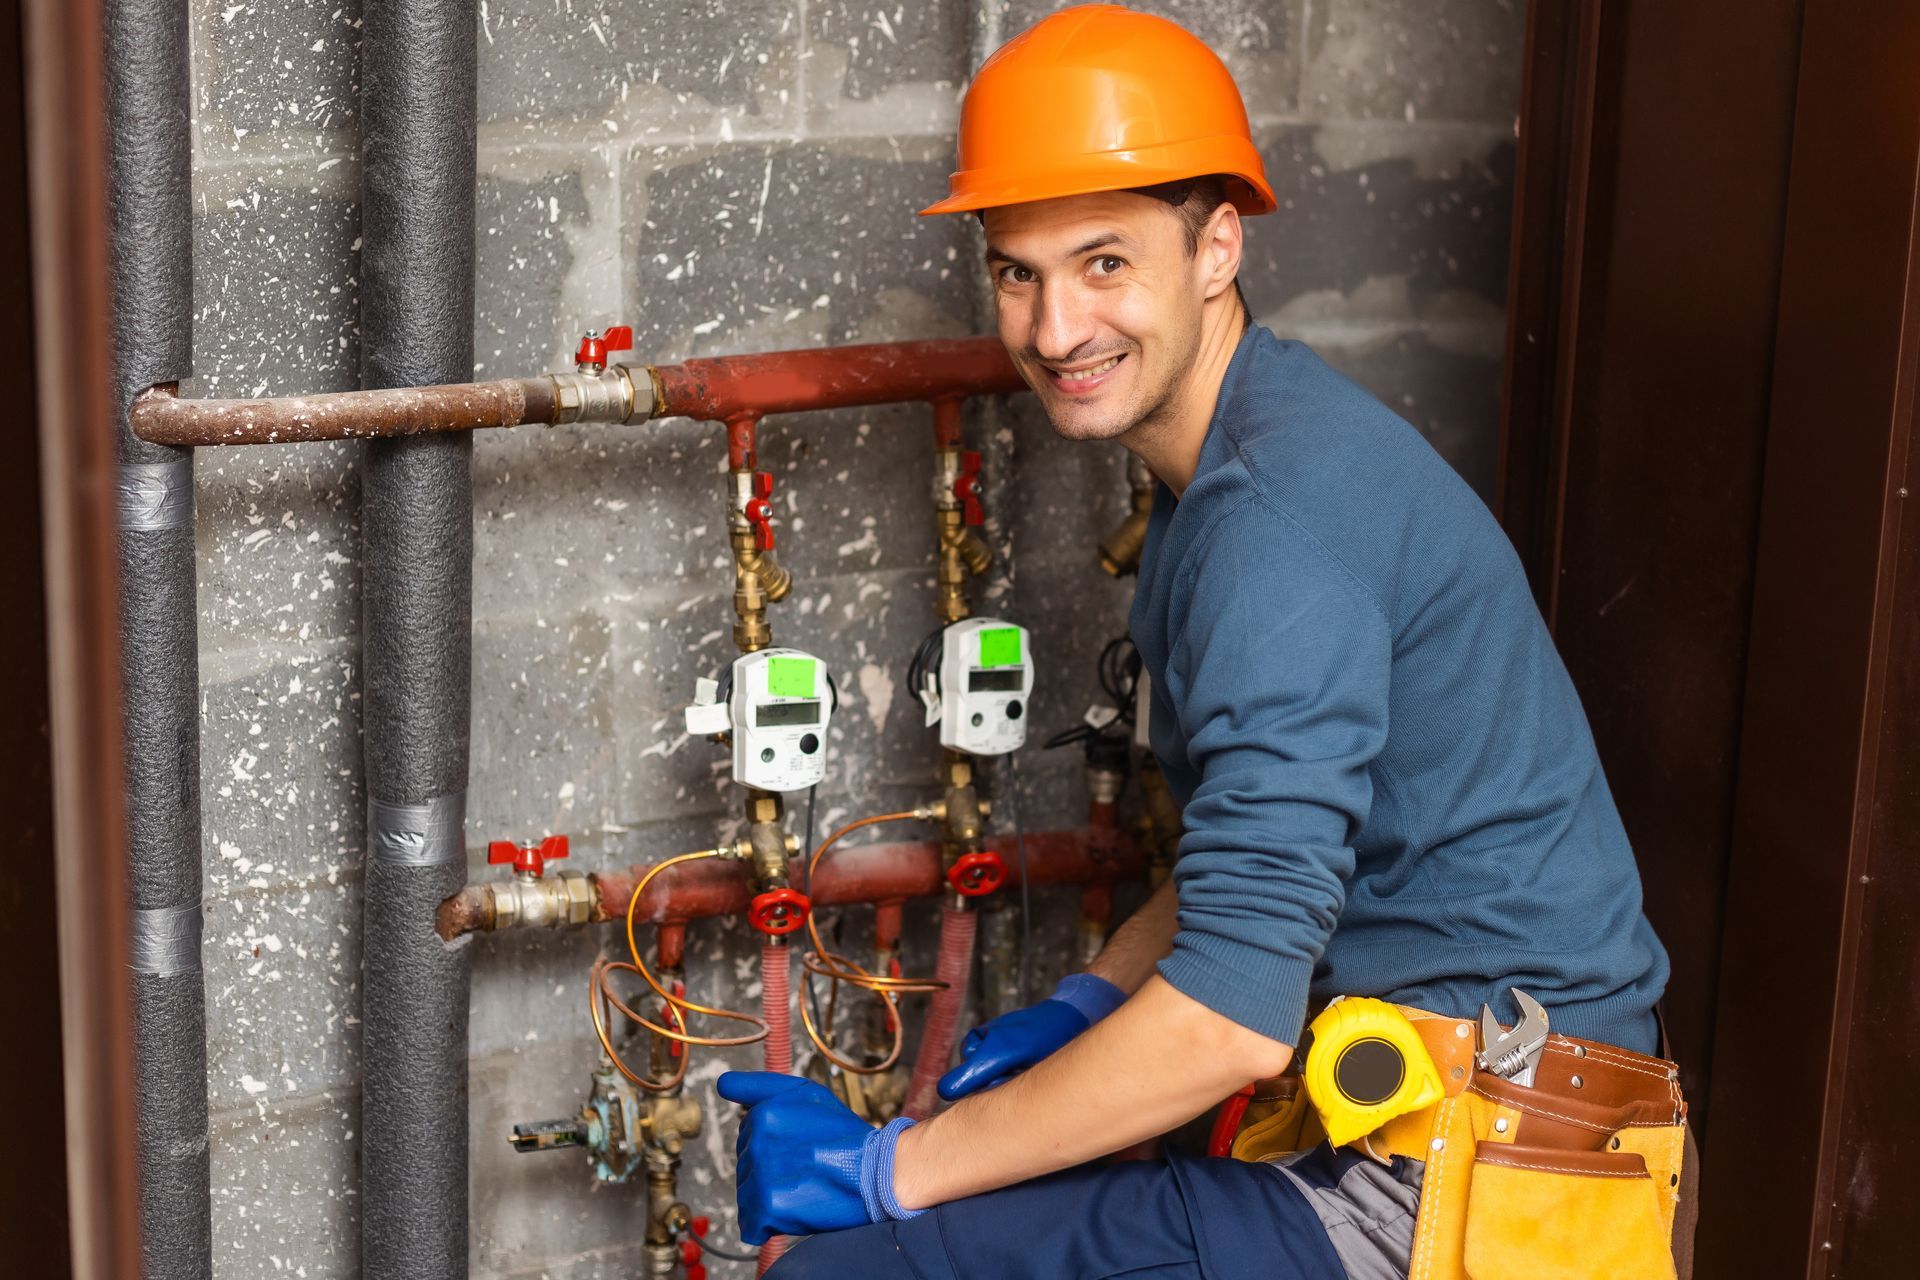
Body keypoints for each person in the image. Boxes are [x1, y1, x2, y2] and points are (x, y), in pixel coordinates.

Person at [716, 6, 1677, 1277]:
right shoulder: (1238, 464)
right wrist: (1094, 997)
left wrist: (887, 1172)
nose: (1057, 330)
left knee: (841, 1271)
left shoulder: (1273, 527)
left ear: (1217, 242)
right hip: (1422, 1112)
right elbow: (1265, 863)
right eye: (1020, 270)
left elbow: (1229, 1021)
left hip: (1463, 1178)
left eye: (1105, 262)